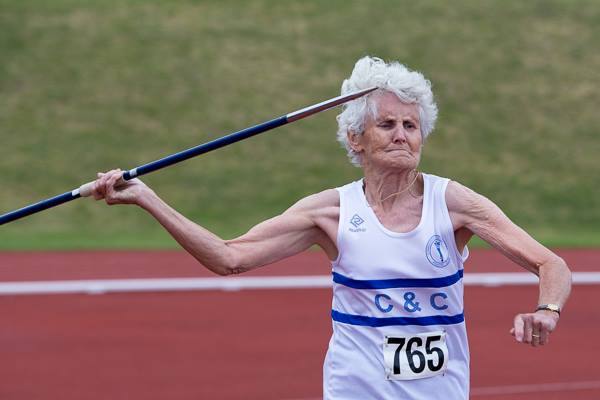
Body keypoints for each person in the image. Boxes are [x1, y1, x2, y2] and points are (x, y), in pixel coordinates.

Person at [92, 56, 572, 399]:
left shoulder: (453, 203)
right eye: (387, 124)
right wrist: (147, 198)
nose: (402, 135)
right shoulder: (330, 212)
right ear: (355, 139)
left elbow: (551, 263)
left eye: (412, 125)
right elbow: (228, 256)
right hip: (352, 390)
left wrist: (547, 310)